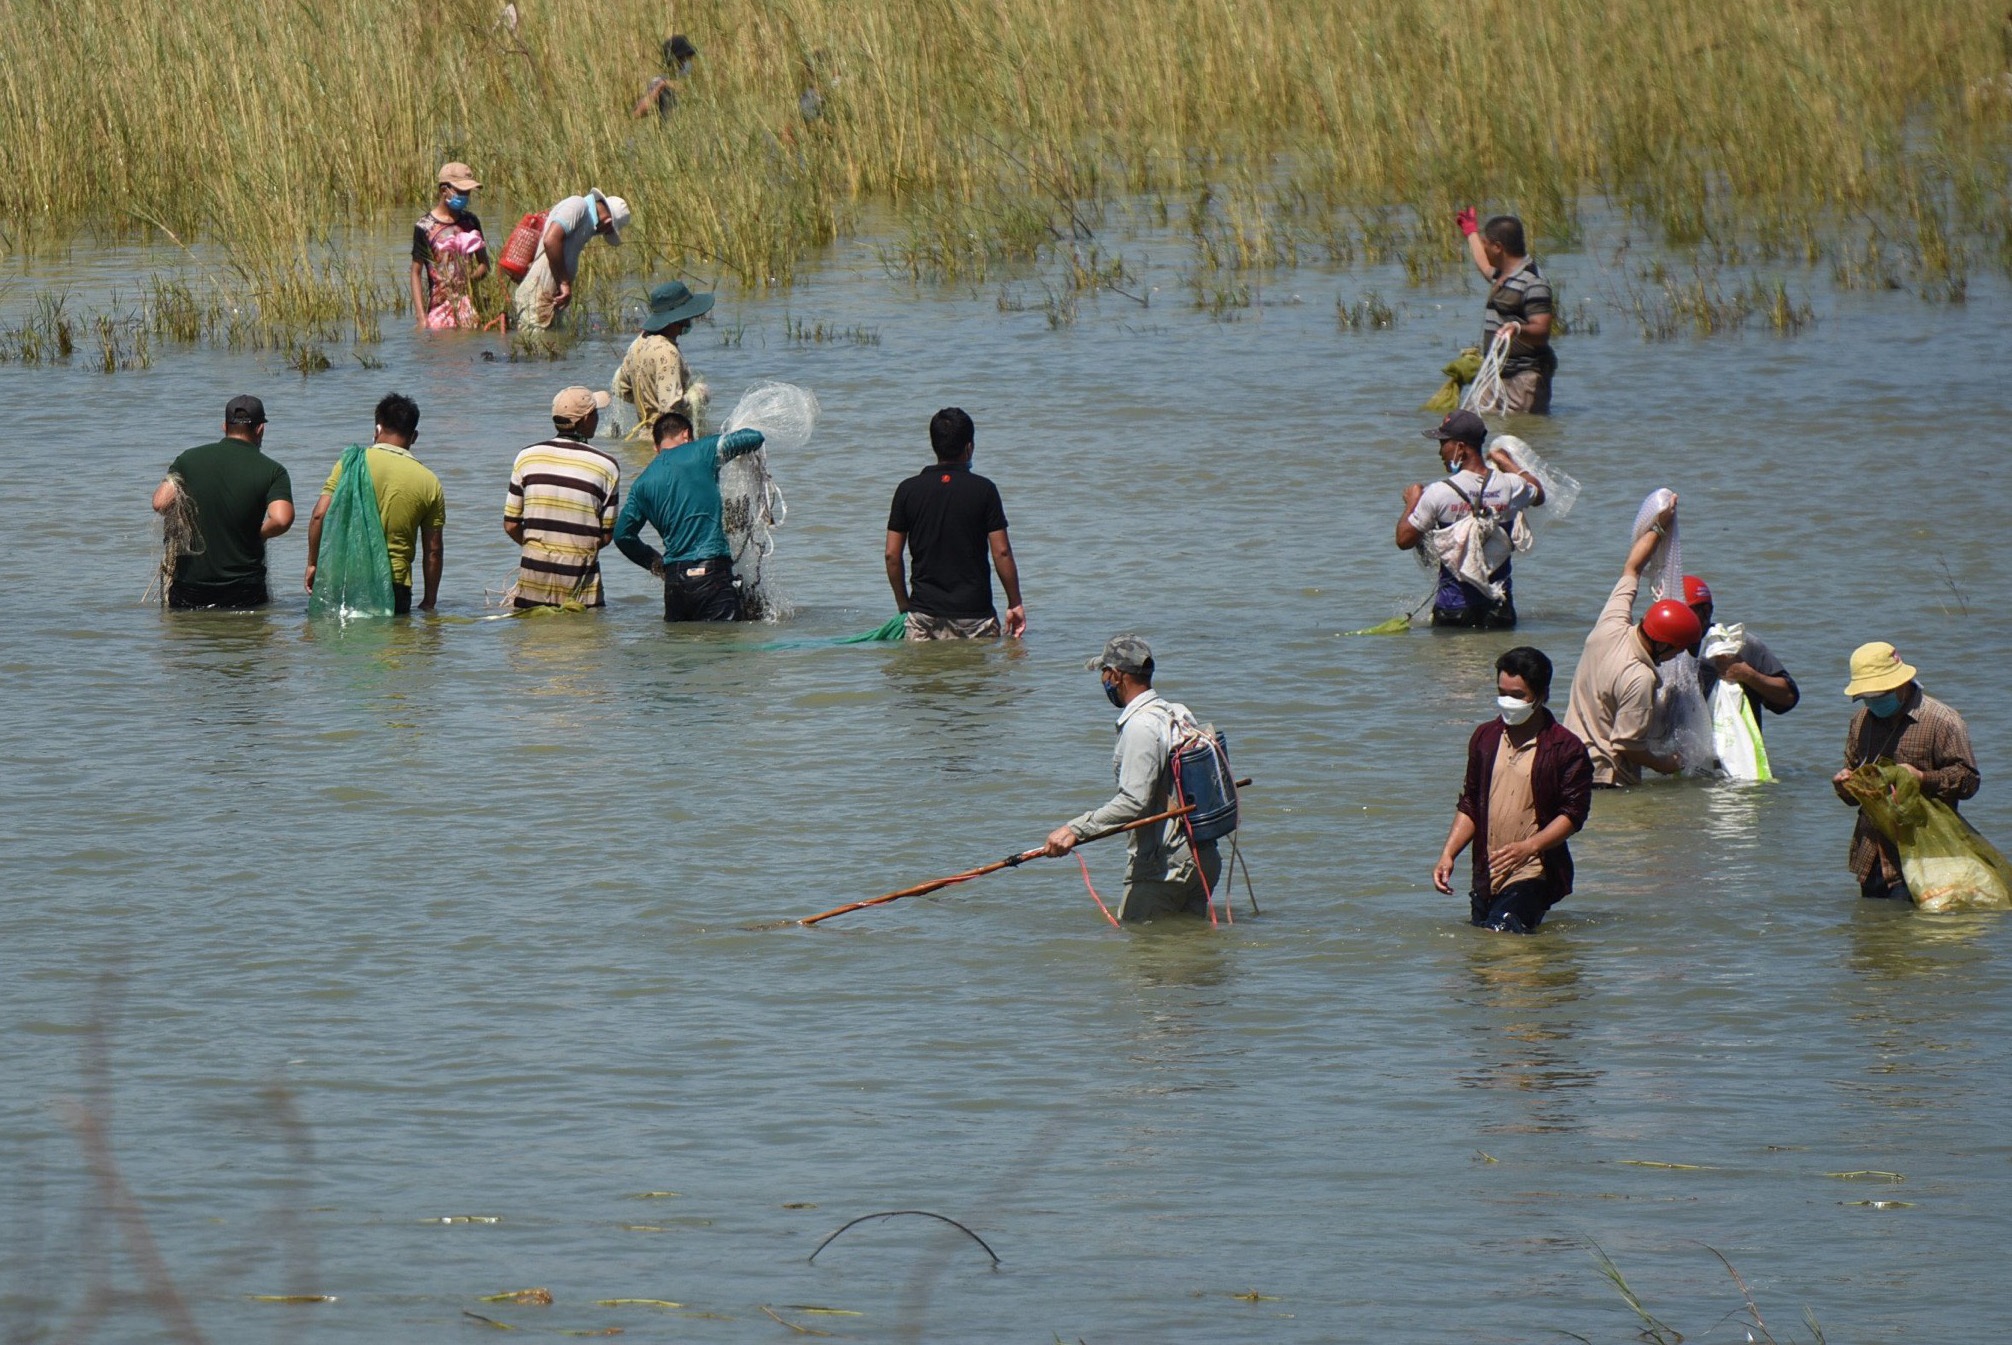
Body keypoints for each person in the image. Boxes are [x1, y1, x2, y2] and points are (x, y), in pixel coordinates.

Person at [1042, 636, 1222, 923]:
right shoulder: (1177, 712)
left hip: (1165, 868)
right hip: (1203, 858)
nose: (1104, 681)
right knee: (1185, 960)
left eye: (1104, 673)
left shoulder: (1140, 725)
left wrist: (1074, 829)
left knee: (1141, 955)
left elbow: (1134, 801)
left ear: (1116, 675)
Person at [1433, 647, 1593, 933]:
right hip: (1488, 872)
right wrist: (1448, 854)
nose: (1507, 702)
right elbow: (1471, 803)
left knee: (1502, 938)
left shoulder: (1566, 748)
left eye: (1517, 695)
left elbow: (1573, 815)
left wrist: (1528, 848)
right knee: (1485, 959)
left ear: (1542, 694)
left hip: (1534, 870)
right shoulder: (1485, 737)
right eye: (1502, 692)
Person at [1561, 494, 1699, 786]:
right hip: (1605, 779)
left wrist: (1659, 528)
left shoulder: (1610, 626)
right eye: (1677, 650)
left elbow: (1632, 568)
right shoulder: (1640, 677)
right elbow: (1626, 744)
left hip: (1568, 765)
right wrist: (1665, 764)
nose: (1676, 657)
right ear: (1663, 645)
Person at [1830, 642, 1980, 901]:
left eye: (1878, 695)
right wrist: (1845, 786)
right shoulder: (1860, 722)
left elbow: (1968, 781)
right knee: (1873, 937)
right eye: (1866, 696)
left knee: (1919, 936)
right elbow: (1855, 788)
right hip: (1872, 857)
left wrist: (1922, 778)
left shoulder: (1942, 721)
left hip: (1927, 855)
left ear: (1900, 684)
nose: (1872, 702)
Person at [884, 408, 1026, 640]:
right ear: (969, 447)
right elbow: (1001, 552)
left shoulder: (907, 490)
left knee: (923, 676)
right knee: (977, 676)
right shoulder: (984, 490)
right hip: (975, 617)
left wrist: (904, 605)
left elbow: (891, 555)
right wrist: (1015, 603)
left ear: (934, 445)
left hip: (923, 617)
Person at [1395, 409, 1545, 628]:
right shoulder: (1510, 486)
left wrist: (1412, 501)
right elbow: (1538, 493)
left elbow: (1404, 539)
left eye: (1443, 444)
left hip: (1454, 610)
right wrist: (1504, 461)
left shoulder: (1439, 492)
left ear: (1460, 448)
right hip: (1499, 610)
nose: (1440, 452)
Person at [613, 411, 765, 621]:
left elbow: (622, 536)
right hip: (712, 577)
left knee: (679, 651)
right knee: (723, 649)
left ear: (656, 447)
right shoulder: (701, 450)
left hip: (675, 583)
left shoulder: (641, 483)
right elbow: (754, 438)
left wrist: (657, 564)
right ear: (686, 435)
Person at [305, 393, 445, 615]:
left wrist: (313, 564)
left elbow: (319, 515)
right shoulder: (429, 481)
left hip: (345, 581)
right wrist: (429, 600)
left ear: (377, 430)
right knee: (390, 647)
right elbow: (433, 551)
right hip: (394, 587)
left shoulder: (350, 463)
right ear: (414, 436)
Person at [151, 395, 295, 608]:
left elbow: (160, 502)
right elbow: (282, 520)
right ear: (260, 429)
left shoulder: (188, 460)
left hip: (190, 588)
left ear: (224, 426)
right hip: (244, 590)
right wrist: (259, 535)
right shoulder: (273, 470)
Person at [503, 388, 623, 609]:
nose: (598, 418)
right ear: (586, 419)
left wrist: (539, 550)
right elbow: (605, 537)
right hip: (582, 589)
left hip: (533, 582)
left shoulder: (526, 457)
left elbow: (511, 525)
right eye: (596, 413)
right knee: (584, 639)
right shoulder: (607, 466)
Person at [1456, 210, 1557, 414]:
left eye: (1487, 244)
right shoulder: (1504, 275)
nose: (1484, 248)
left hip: (1524, 379)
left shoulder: (1533, 282)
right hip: (1495, 375)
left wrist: (1517, 329)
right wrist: (1471, 232)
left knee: (1520, 435)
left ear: (1498, 247)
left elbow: (1543, 331)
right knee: (1467, 422)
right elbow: (1484, 266)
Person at [1682, 574, 1800, 730]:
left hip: (1733, 748)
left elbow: (1788, 698)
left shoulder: (1739, 645)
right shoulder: (1662, 649)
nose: (1704, 616)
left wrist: (1748, 675)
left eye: (1705, 610)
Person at [512, 189, 630, 331]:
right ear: (608, 223)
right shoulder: (578, 205)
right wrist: (564, 283)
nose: (600, 234)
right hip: (538, 296)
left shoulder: (586, 222)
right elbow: (551, 240)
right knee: (537, 348)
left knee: (549, 347)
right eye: (607, 232)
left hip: (548, 299)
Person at [612, 281, 711, 438]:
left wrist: (649, 405)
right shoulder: (668, 352)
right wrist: (697, 396)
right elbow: (671, 408)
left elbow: (620, 388)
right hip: (669, 442)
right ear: (680, 317)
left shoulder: (639, 342)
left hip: (645, 437)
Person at [410, 162, 490, 329]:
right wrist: (421, 318)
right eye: (460, 191)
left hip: (469, 306)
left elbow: (484, 264)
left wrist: (470, 279)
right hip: (438, 308)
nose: (465, 196)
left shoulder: (471, 221)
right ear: (443, 190)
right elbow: (416, 273)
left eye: (467, 192)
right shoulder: (425, 227)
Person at [633, 35, 697, 118]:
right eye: (684, 57)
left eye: (689, 57)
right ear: (673, 60)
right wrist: (661, 85)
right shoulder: (660, 81)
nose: (688, 61)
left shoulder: (695, 80)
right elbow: (637, 114)